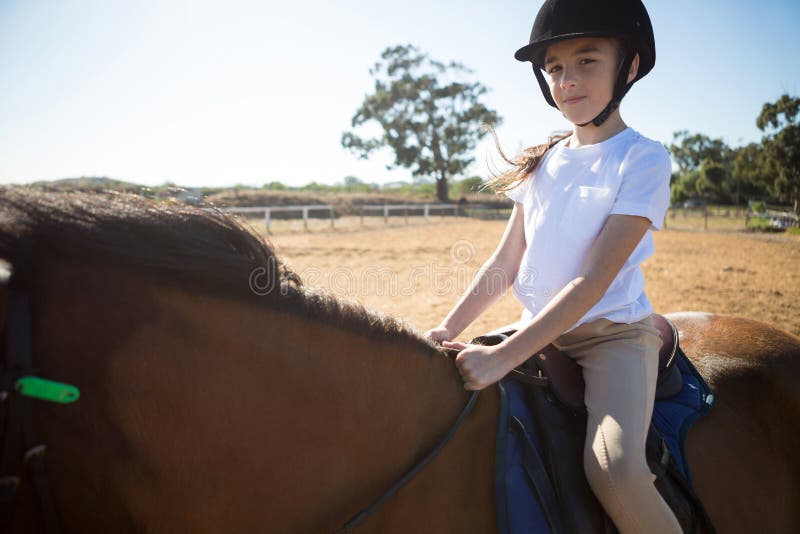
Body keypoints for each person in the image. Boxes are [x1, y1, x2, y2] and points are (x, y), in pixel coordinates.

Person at [424, 0, 680, 532]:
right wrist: (448, 328)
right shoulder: (541, 161)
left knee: (613, 469)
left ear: (629, 67)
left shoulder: (643, 158)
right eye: (555, 68)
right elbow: (504, 263)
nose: (567, 80)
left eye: (587, 61)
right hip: (536, 329)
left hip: (611, 337)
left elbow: (592, 281)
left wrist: (504, 357)